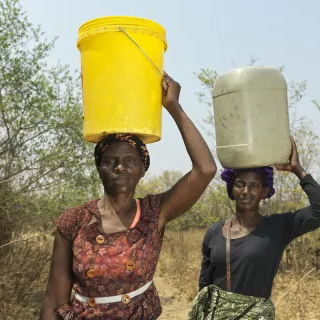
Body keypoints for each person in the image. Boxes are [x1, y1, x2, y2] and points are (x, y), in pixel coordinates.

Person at [39, 72, 217, 320]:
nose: (119, 167)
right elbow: (54, 300)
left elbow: (206, 169)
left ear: (142, 169)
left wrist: (173, 106)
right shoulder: (74, 221)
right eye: (110, 160)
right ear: (99, 168)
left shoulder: (155, 212)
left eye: (129, 160)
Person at [189, 136, 320, 319]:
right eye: (240, 184)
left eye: (254, 185)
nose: (246, 191)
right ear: (231, 190)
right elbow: (204, 286)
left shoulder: (278, 227)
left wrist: (297, 169)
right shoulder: (214, 233)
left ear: (265, 192)